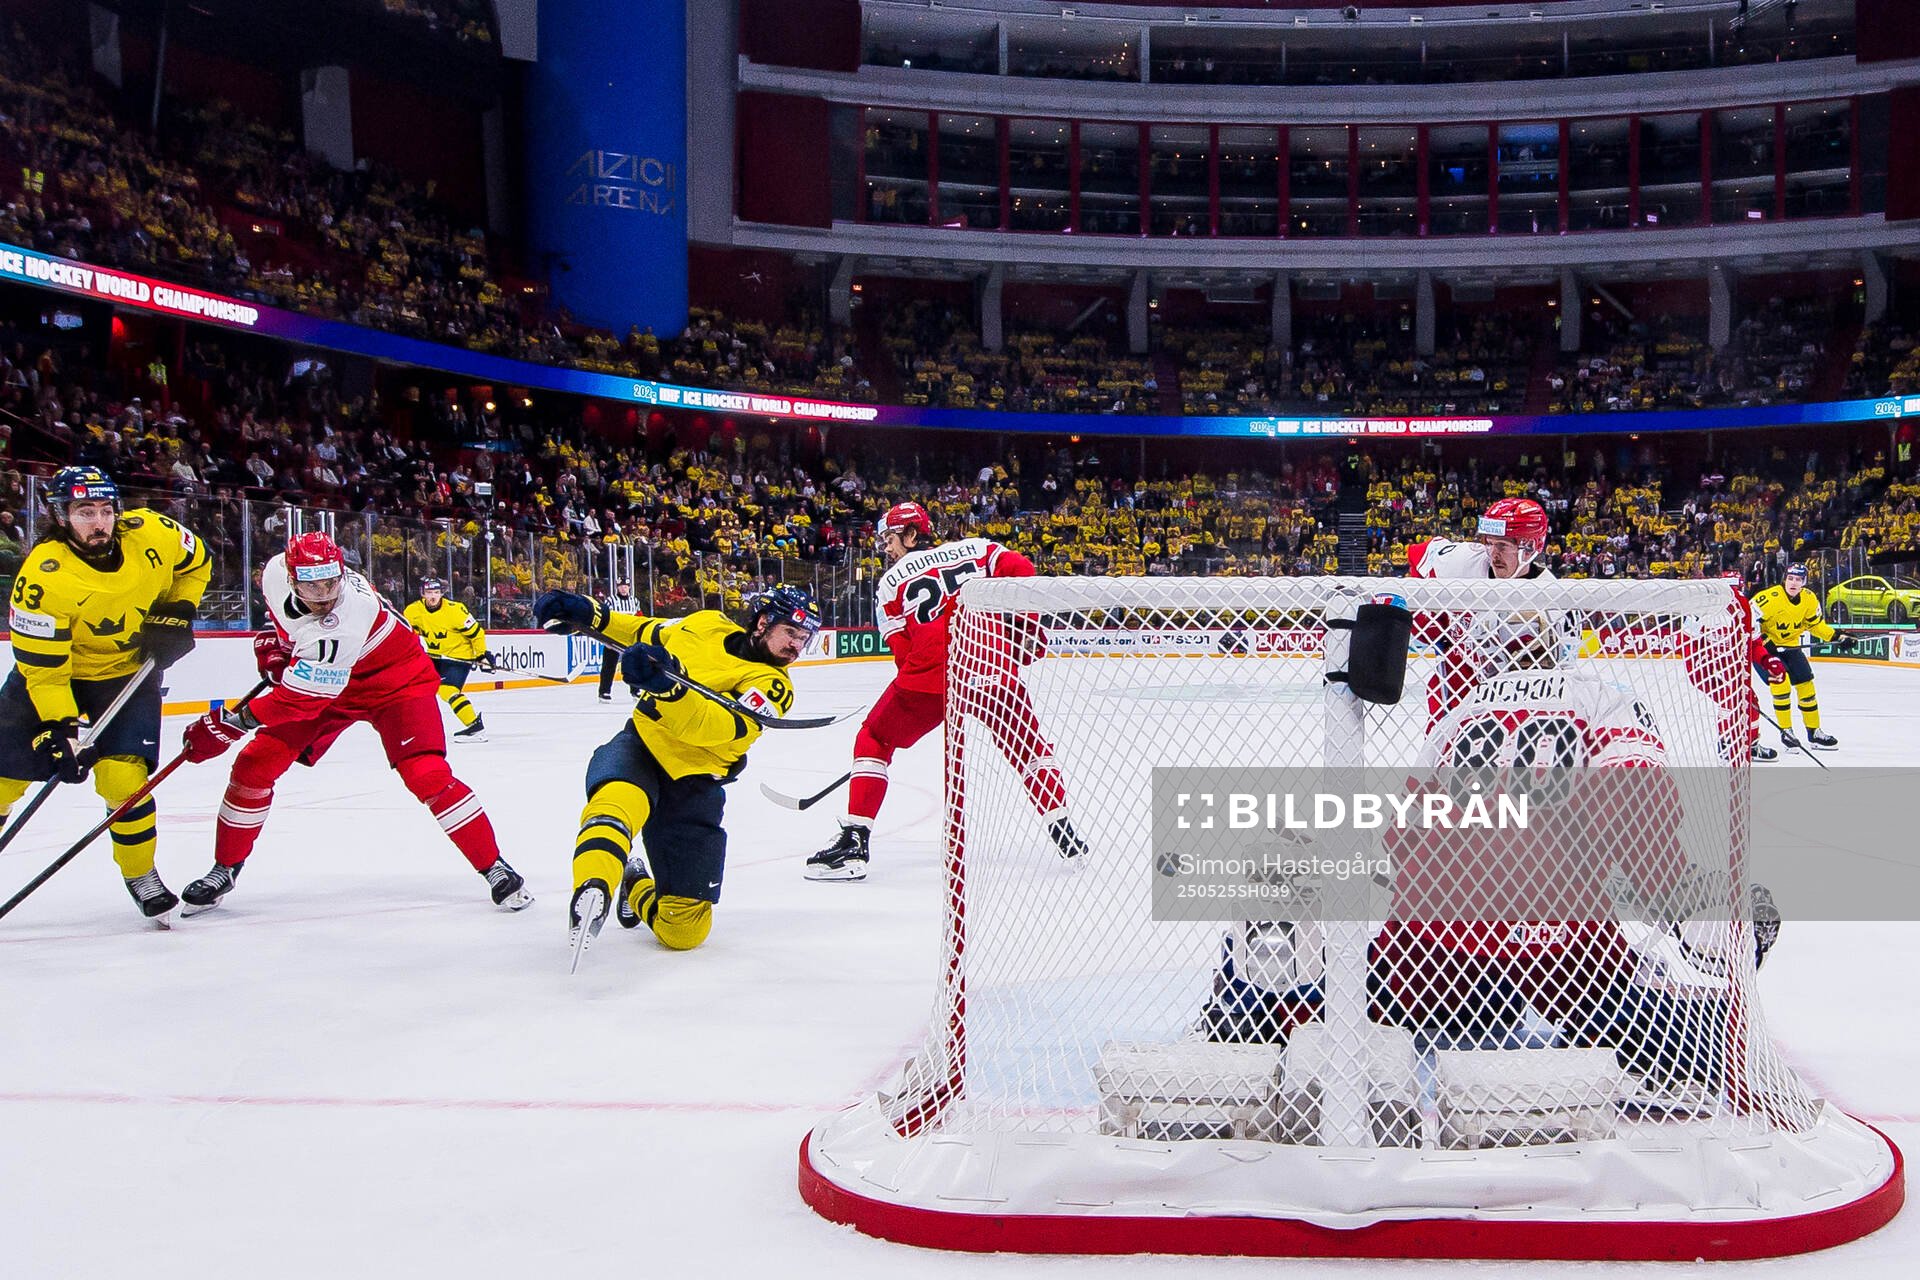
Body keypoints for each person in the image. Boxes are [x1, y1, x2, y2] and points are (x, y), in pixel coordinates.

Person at [174, 533, 529, 915]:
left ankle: (494, 866)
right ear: (292, 579)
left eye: (331, 581)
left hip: (396, 682)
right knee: (254, 764)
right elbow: (293, 637)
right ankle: (224, 867)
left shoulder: (346, 617)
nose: (324, 592)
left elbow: (299, 699)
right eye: (312, 584)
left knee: (427, 774)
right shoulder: (274, 573)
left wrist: (232, 723)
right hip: (334, 686)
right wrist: (280, 647)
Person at [803, 501, 1086, 883]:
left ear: (911, 534)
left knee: (874, 737)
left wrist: (924, 695)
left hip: (930, 677)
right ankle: (1062, 827)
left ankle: (855, 841)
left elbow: (904, 655)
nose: (886, 549)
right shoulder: (978, 548)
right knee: (1029, 749)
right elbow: (1022, 574)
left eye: (890, 539)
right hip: (993, 667)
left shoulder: (889, 584)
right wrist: (1022, 634)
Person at [534, 583, 818, 956]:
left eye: (804, 639)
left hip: (694, 782)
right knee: (615, 807)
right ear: (763, 622)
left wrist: (671, 691)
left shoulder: (774, 686)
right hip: (644, 746)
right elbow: (644, 631)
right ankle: (593, 886)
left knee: (684, 932)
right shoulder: (706, 625)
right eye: (791, 633)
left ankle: (633, 883)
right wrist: (588, 614)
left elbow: (713, 728)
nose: (796, 647)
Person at [0, 466, 208, 923]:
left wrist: (178, 609)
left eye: (105, 510)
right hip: (56, 677)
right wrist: (62, 727)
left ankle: (141, 874)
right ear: (60, 515)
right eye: (84, 511)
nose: (99, 522)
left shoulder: (152, 532)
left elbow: (198, 562)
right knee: (2, 783)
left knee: (123, 783)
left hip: (125, 677)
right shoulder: (43, 579)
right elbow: (45, 673)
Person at [1405, 497, 1556, 726]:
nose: (1493, 554)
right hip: (1450, 709)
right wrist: (1435, 619)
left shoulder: (1553, 603)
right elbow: (1418, 555)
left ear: (1530, 548)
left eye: (1503, 546)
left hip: (1513, 718)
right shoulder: (1464, 560)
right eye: (1490, 543)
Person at [1750, 563, 1852, 751]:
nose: (1794, 583)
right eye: (1790, 578)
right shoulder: (1768, 598)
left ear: (1804, 582)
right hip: (1766, 652)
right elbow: (1748, 621)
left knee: (1807, 686)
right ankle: (1787, 732)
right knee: (1781, 684)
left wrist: (1838, 637)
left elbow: (1816, 626)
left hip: (1791, 648)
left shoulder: (1809, 599)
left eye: (1798, 579)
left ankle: (1814, 733)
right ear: (1784, 579)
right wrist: (1765, 642)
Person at [402, 577, 493, 742]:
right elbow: (409, 634)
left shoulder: (455, 610)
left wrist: (481, 654)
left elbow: (476, 633)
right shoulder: (412, 611)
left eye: (436, 592)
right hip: (435, 656)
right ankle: (417, 728)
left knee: (447, 691)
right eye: (429, 592)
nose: (433, 596)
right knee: (416, 688)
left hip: (458, 657)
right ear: (423, 594)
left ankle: (474, 726)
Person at [597, 579, 642, 702]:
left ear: (629, 587)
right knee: (609, 665)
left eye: (626, 586)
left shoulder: (634, 601)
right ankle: (604, 692)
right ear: (617, 587)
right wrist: (605, 638)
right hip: (613, 637)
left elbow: (639, 619)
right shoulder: (611, 601)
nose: (623, 588)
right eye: (621, 586)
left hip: (629, 638)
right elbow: (604, 619)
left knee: (634, 664)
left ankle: (635, 689)